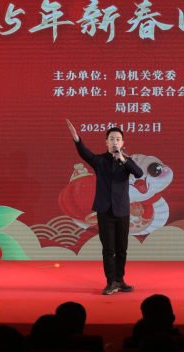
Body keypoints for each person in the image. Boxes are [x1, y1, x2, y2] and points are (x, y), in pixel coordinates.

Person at [67, 120, 144, 295]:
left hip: (122, 210)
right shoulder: (99, 160)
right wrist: (77, 139)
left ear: (122, 143)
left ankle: (120, 280)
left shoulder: (126, 162)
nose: (114, 141)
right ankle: (111, 282)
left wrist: (123, 159)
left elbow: (139, 173)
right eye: (111, 139)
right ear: (106, 142)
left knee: (121, 248)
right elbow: (85, 154)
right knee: (108, 249)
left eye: (118, 139)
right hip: (105, 211)